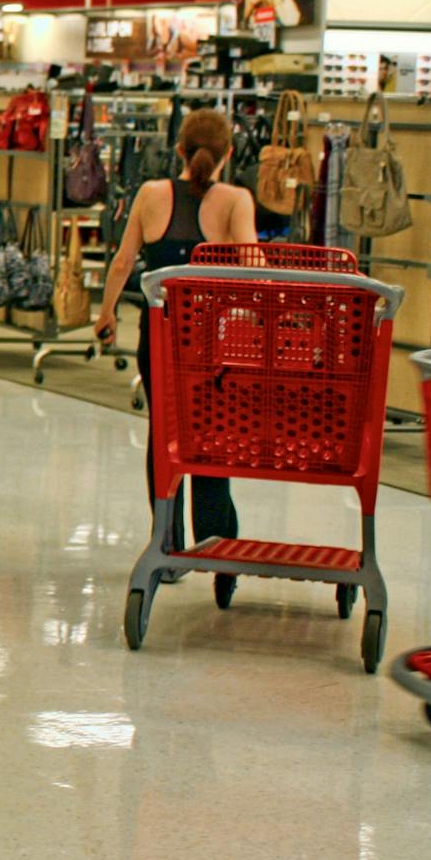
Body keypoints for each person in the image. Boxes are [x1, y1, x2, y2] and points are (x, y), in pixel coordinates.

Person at [95, 109, 257, 552]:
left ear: (179, 150)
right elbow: (253, 270)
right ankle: (214, 539)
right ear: (225, 157)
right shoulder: (234, 200)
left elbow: (124, 262)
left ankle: (165, 540)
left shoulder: (150, 193)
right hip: (213, 342)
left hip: (160, 335)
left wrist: (106, 314)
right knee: (211, 433)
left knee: (163, 432)